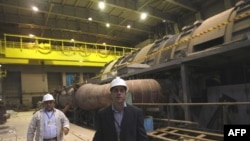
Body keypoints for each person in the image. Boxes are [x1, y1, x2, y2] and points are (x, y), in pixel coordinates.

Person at [93, 77, 148, 141]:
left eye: (121, 90)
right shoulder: (102, 114)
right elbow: (98, 137)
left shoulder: (136, 113)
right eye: (115, 90)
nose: (119, 93)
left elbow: (142, 137)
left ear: (125, 93)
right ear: (111, 94)